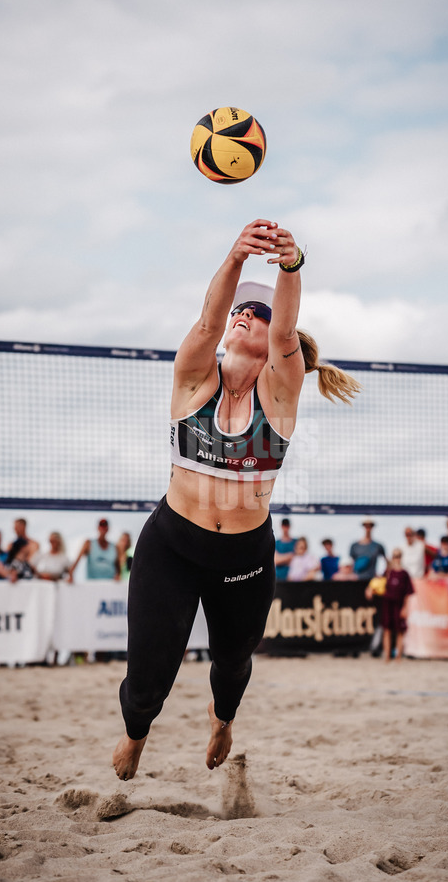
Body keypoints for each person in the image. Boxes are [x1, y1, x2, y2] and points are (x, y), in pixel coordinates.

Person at [112, 219, 360, 782]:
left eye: (258, 312)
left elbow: (286, 334)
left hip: (243, 553)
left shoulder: (280, 390)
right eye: (240, 310)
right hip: (172, 543)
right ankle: (136, 733)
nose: (244, 314)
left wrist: (291, 265)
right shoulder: (194, 378)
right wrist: (235, 257)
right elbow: (208, 320)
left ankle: (222, 720)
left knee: (232, 663)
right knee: (149, 670)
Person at [372, 548, 414, 661]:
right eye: (395, 556)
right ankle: (387, 655)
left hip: (399, 604)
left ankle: (398, 656)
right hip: (388, 604)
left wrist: (405, 608)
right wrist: (370, 589)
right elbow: (377, 583)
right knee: (387, 630)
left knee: (400, 630)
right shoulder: (388, 572)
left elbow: (408, 593)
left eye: (398, 556)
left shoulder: (405, 574)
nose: (397, 558)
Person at [68, 518, 120, 582]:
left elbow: (118, 567)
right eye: (101, 526)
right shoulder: (89, 543)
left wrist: (118, 576)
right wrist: (71, 574)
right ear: (98, 528)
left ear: (108, 529)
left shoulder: (114, 547)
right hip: (93, 584)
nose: (103, 529)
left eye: (105, 527)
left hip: (110, 583)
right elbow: (77, 560)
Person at [349, 517, 386, 587]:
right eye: (366, 526)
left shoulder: (378, 546)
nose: (368, 528)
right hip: (357, 581)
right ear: (363, 526)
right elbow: (351, 563)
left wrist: (382, 575)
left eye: (370, 526)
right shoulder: (354, 546)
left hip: (372, 581)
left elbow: (386, 561)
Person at [274, 517, 296, 581]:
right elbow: (276, 560)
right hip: (279, 578)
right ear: (281, 527)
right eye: (284, 526)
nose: (285, 528)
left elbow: (298, 559)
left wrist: (281, 558)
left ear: (289, 526)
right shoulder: (277, 543)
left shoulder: (295, 542)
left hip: (293, 578)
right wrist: (290, 556)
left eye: (287, 526)